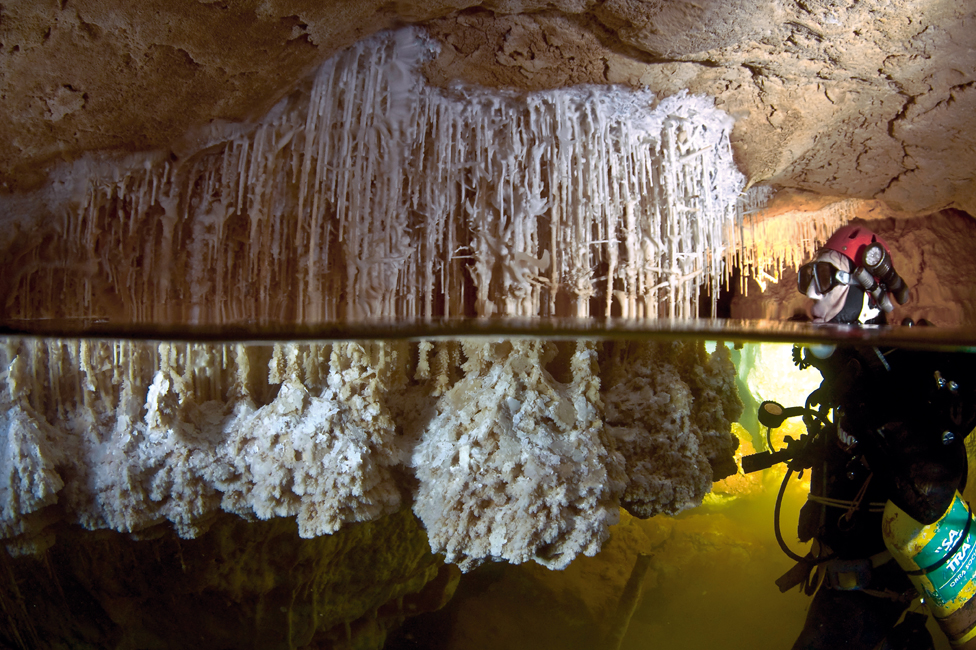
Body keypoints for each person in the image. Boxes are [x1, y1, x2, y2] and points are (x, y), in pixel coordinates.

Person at [764, 225, 976, 649]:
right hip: (842, 577)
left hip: (876, 585)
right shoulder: (849, 370)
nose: (813, 300)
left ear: (867, 287)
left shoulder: (905, 365)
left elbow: (928, 486)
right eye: (810, 281)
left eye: (826, 281)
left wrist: (861, 396)